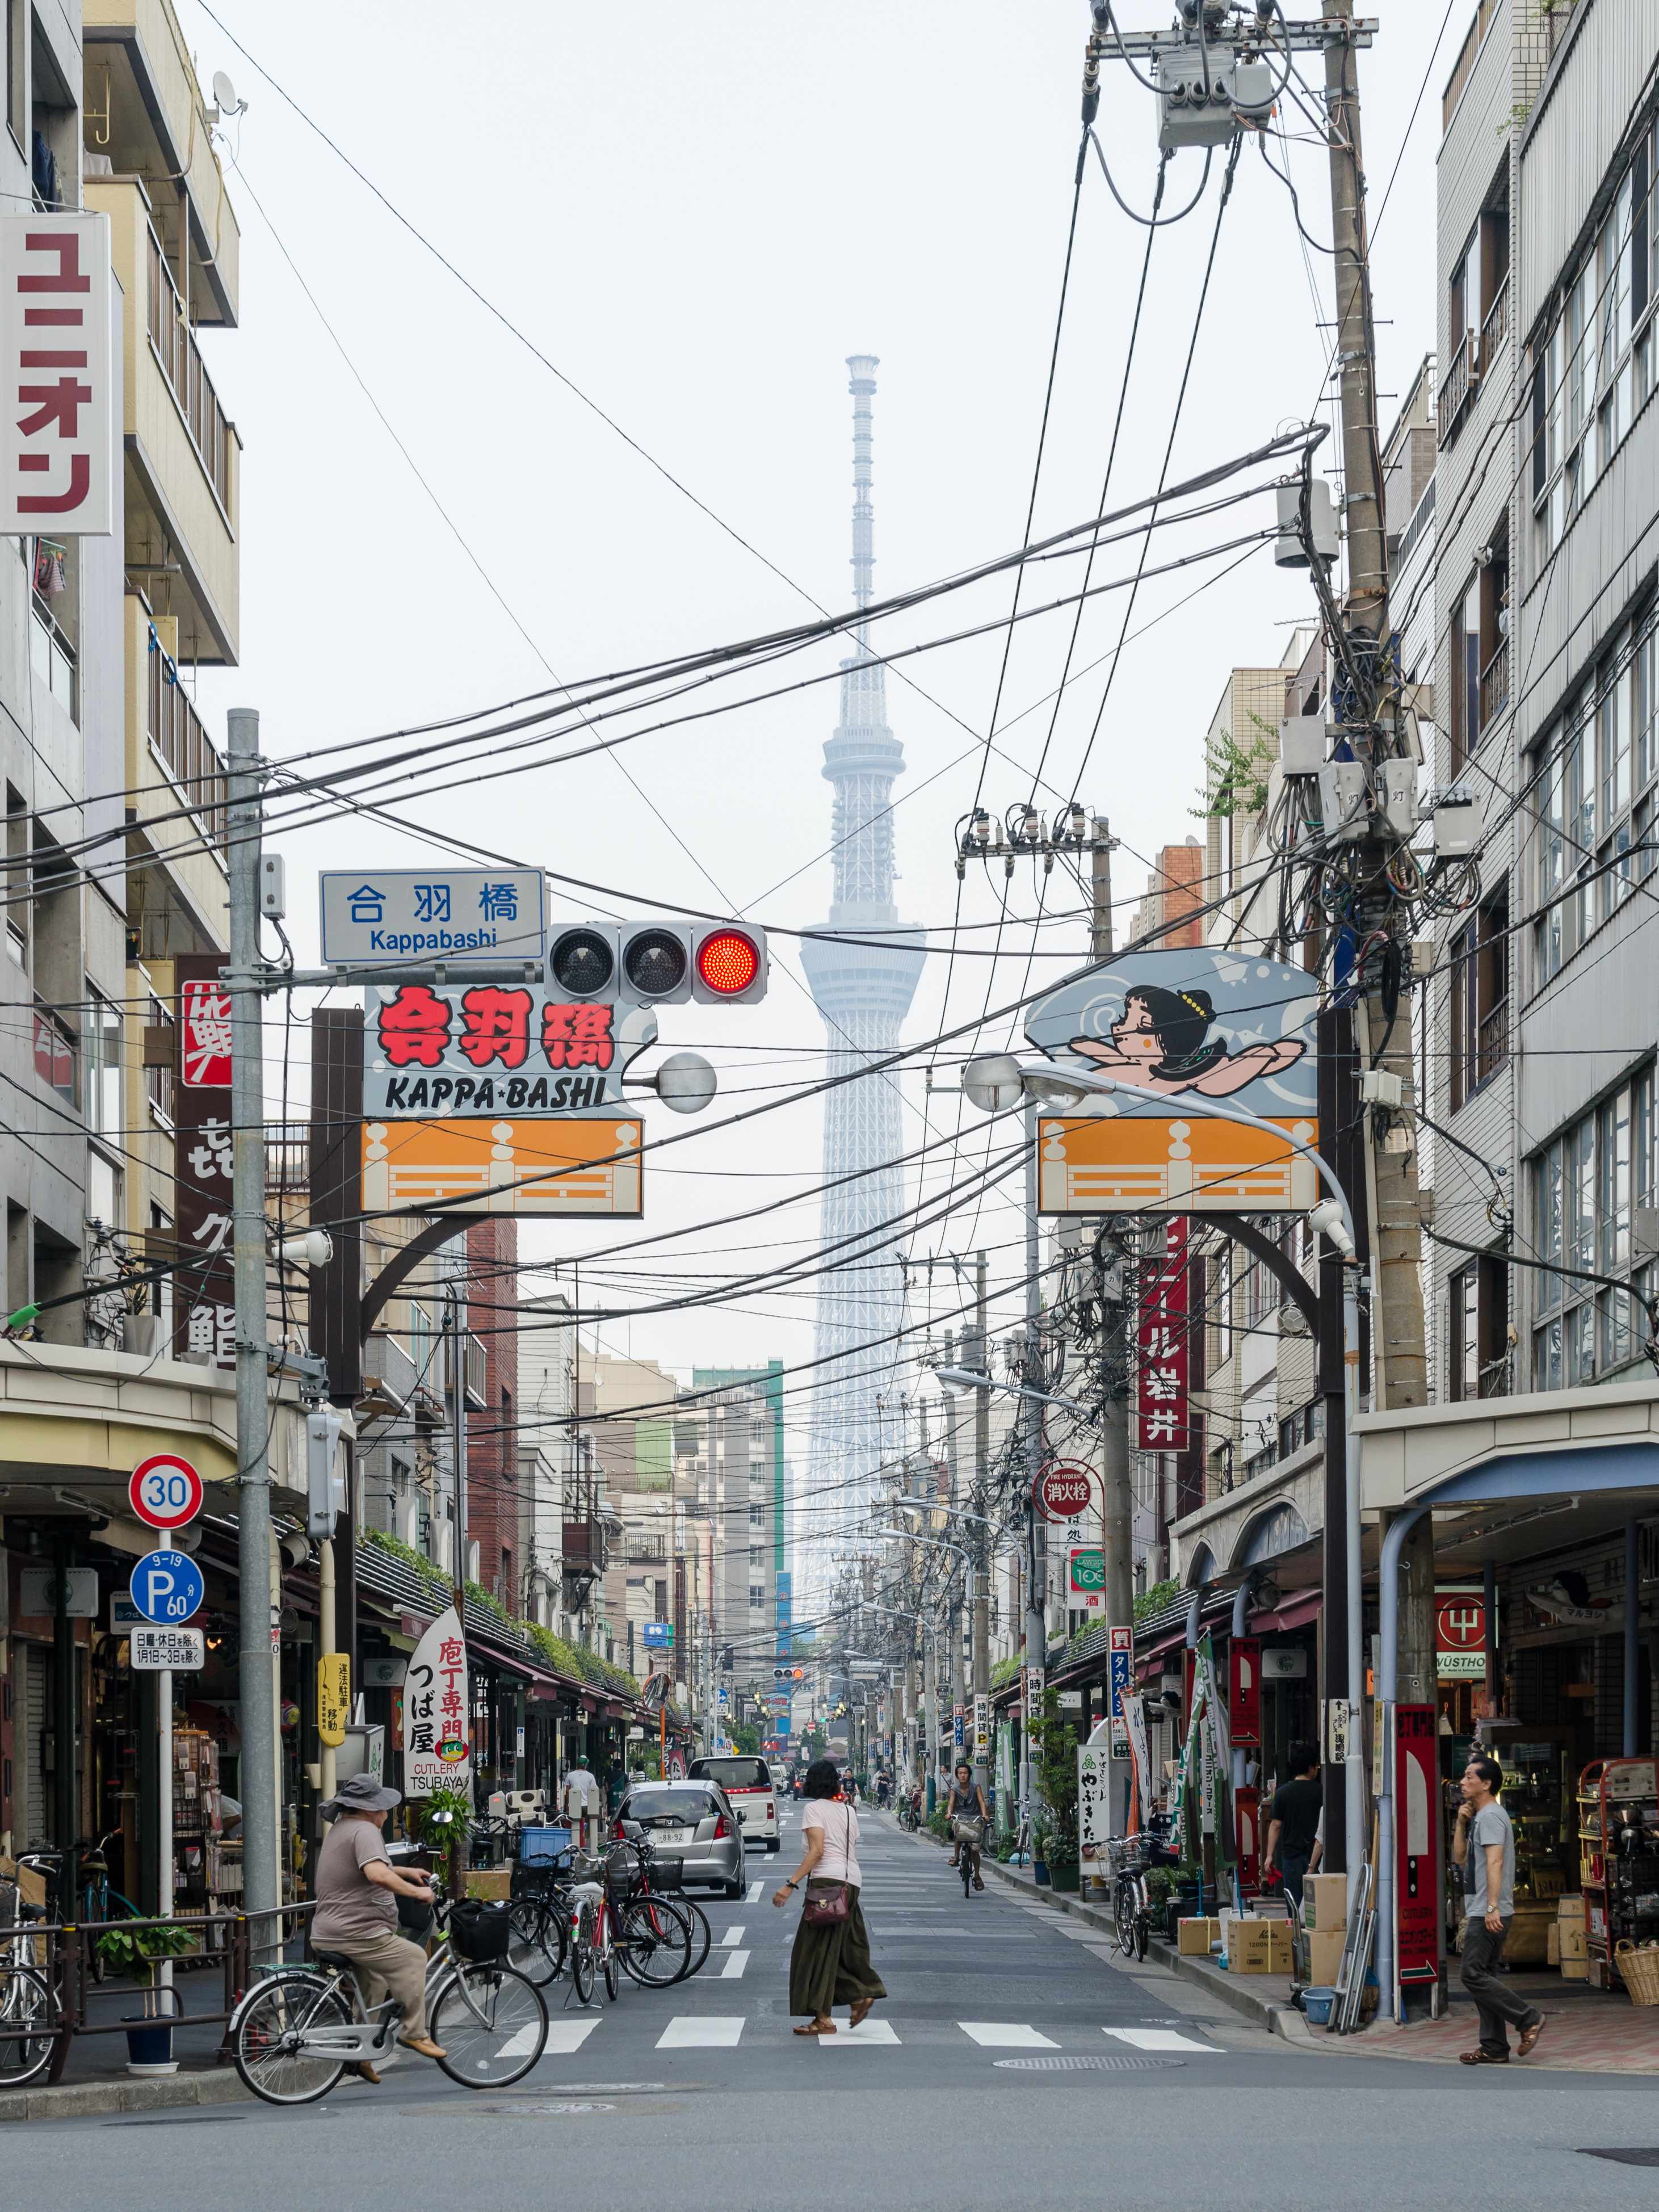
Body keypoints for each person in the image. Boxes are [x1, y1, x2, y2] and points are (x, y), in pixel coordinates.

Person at [310, 1772, 446, 2081]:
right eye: (384, 1807)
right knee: (413, 1957)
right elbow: (376, 1874)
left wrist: (405, 1872)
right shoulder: (366, 1831)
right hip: (357, 1932)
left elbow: (370, 1868)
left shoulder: (342, 1829)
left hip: (329, 1930)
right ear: (371, 1809)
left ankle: (360, 2055)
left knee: (371, 1983)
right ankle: (414, 2032)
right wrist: (418, 1892)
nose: (387, 1813)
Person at [772, 1756, 888, 2036]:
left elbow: (817, 1851)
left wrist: (790, 1884)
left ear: (812, 1782)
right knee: (838, 1950)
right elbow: (850, 1843)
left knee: (810, 1952)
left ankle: (828, 2016)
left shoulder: (814, 1809)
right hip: (852, 1882)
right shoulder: (847, 1810)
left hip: (826, 1883)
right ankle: (854, 1999)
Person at [1454, 1755, 1546, 2064]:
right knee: (1484, 1976)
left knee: (1471, 1973)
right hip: (1483, 1907)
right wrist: (1460, 1822)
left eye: (1469, 1777)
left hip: (1489, 1910)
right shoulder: (1480, 1817)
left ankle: (1528, 2018)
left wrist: (1492, 1907)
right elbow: (1460, 1858)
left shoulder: (1492, 1816)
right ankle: (1493, 2047)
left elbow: (1496, 1862)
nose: (1463, 1782)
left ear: (1486, 1784)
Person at [1262, 1742, 1322, 1913]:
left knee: (1294, 1904)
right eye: (1316, 1766)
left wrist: (1269, 1856)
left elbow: (1276, 1825)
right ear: (1310, 1768)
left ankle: (1296, 1937)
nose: (1317, 1770)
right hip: (1317, 1856)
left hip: (1291, 1855)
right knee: (1317, 1906)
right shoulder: (1322, 1792)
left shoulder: (1282, 1793)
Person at [946, 1760, 989, 1888]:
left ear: (969, 1775)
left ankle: (977, 1876)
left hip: (975, 1819)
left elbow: (982, 1802)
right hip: (961, 1818)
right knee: (957, 1831)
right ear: (957, 1775)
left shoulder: (976, 1787)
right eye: (960, 1773)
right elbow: (951, 1804)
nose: (963, 1775)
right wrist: (949, 1814)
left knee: (975, 1849)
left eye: (965, 1773)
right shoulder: (954, 1789)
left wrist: (984, 1815)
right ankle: (956, 1856)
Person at [561, 1756, 602, 1855]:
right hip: (587, 1805)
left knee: (575, 1827)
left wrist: (567, 1807)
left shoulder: (570, 1776)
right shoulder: (590, 1776)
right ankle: (583, 1848)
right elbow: (594, 1791)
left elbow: (567, 1792)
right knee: (587, 1830)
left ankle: (575, 1850)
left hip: (574, 1806)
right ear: (586, 1765)